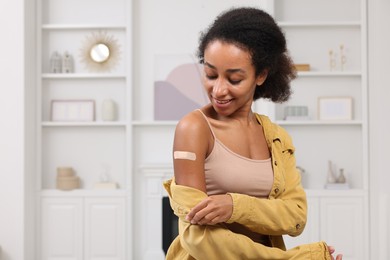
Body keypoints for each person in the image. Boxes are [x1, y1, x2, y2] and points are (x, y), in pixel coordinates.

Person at [163, 7, 342, 260]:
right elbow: (198, 235)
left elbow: (296, 217)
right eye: (211, 74)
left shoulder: (277, 138)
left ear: (261, 75)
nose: (218, 90)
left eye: (234, 79)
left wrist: (234, 206)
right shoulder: (193, 128)